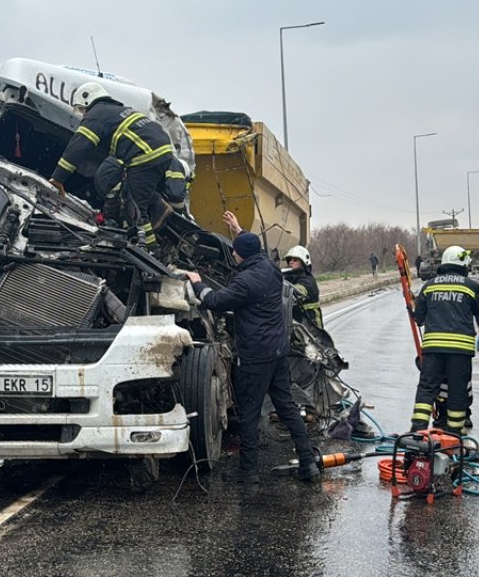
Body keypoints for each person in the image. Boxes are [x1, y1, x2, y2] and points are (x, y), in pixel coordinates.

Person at [186, 230, 320, 484]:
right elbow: (251, 252)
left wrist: (197, 281)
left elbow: (214, 300)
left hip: (256, 357)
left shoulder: (245, 282)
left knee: (249, 413)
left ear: (242, 254)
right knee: (288, 408)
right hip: (278, 352)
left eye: (235, 251)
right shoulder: (270, 268)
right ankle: (308, 464)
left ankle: (248, 472)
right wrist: (237, 230)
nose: (233, 254)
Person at [50, 82, 173, 250]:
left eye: (81, 109)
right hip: (162, 151)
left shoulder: (96, 114)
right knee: (132, 191)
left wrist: (58, 178)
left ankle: (151, 251)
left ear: (87, 102)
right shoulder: (116, 111)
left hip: (145, 154)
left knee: (135, 206)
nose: (82, 114)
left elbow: (78, 147)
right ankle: (158, 206)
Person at [407, 245, 479, 434]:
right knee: (458, 390)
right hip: (461, 349)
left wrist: (412, 307)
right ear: (463, 264)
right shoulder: (471, 286)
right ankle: (454, 433)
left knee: (427, 388)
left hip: (433, 347)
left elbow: (419, 319)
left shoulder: (429, 286)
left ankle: (417, 431)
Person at [282, 245, 323, 329]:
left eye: (295, 260)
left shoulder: (308, 281)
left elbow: (296, 292)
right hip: (296, 324)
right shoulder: (289, 277)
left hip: (311, 325)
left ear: (303, 262)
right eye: (289, 260)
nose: (291, 262)